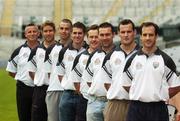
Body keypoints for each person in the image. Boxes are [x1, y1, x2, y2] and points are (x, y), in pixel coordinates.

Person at [122, 22, 180, 121]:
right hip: (136, 108)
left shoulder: (165, 60)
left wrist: (162, 94)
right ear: (140, 36)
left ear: (156, 36)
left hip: (158, 109)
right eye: (145, 35)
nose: (148, 38)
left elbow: (176, 85)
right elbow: (125, 84)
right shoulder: (132, 59)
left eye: (151, 35)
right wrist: (139, 92)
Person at [102, 19, 139, 121]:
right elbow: (107, 83)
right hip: (116, 104)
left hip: (139, 104)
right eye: (123, 32)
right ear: (118, 34)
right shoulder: (110, 56)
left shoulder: (143, 54)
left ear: (134, 32)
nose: (126, 35)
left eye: (129, 32)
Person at [82, 22, 115, 121]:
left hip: (112, 103)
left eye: (107, 34)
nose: (104, 37)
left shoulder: (119, 54)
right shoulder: (93, 55)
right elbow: (88, 79)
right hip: (94, 102)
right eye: (102, 35)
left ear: (113, 34)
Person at [6, 23, 40, 121]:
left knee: (39, 116)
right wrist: (23, 77)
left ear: (38, 33)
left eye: (34, 31)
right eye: (29, 32)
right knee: (24, 116)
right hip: (23, 89)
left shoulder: (44, 50)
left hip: (40, 89)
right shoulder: (18, 51)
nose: (32, 34)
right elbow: (11, 71)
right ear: (25, 34)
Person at [56, 22, 86, 121]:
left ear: (84, 34)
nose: (77, 35)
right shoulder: (64, 51)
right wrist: (67, 85)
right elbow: (60, 73)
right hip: (67, 95)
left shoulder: (89, 51)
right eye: (75, 33)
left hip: (84, 96)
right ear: (71, 34)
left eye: (80, 33)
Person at [69, 24, 100, 120]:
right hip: (84, 99)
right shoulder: (80, 57)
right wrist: (85, 94)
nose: (94, 39)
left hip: (102, 101)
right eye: (91, 37)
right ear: (87, 38)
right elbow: (76, 81)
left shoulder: (107, 56)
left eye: (96, 37)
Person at [44, 19, 72, 121]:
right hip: (54, 90)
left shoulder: (79, 48)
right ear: (58, 30)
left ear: (71, 30)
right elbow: (48, 73)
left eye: (67, 29)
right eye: (62, 28)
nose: (64, 31)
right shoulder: (50, 49)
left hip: (72, 91)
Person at [27, 20, 56, 121]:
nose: (48, 33)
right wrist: (39, 80)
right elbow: (31, 71)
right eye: (46, 31)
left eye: (50, 31)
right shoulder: (35, 50)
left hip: (55, 90)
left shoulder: (60, 49)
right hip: (40, 90)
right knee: (38, 117)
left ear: (54, 32)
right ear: (42, 33)